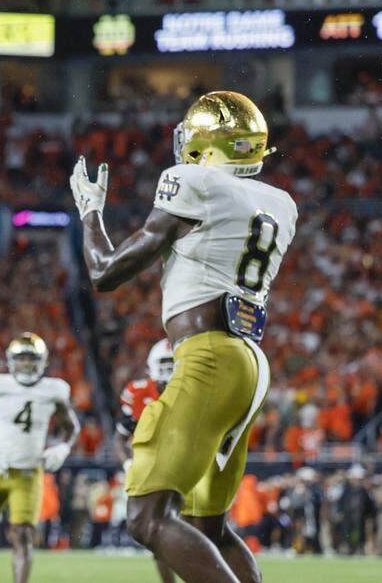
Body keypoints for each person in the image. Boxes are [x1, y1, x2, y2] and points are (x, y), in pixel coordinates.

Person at [70, 91, 298, 583]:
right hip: (250, 359)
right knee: (207, 526)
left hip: (209, 354)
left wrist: (91, 214)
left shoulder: (189, 180)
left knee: (147, 517)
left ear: (209, 143)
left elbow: (106, 272)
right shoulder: (280, 202)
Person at [0, 332, 78, 583]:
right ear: (10, 360)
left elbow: (71, 427)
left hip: (28, 473)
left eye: (32, 358)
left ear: (43, 361)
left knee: (24, 534)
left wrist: (63, 447)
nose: (27, 363)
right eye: (22, 358)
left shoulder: (54, 391)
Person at [114, 340, 176, 583]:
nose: (168, 369)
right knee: (152, 533)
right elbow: (119, 437)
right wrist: (128, 465)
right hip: (150, 470)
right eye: (164, 363)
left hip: (186, 466)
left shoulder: (192, 389)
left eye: (173, 363)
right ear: (151, 366)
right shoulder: (138, 392)